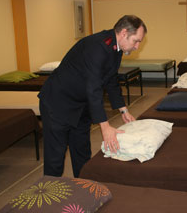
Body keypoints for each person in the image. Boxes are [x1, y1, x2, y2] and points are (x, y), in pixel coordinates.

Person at [38, 15, 147, 177]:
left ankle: (84, 191)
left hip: (81, 104)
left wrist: (124, 110)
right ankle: (50, 197)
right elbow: (94, 87)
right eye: (136, 41)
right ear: (124, 33)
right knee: (56, 156)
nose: (137, 46)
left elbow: (110, 79)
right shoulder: (96, 47)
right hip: (58, 103)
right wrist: (105, 127)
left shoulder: (116, 47)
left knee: (81, 152)